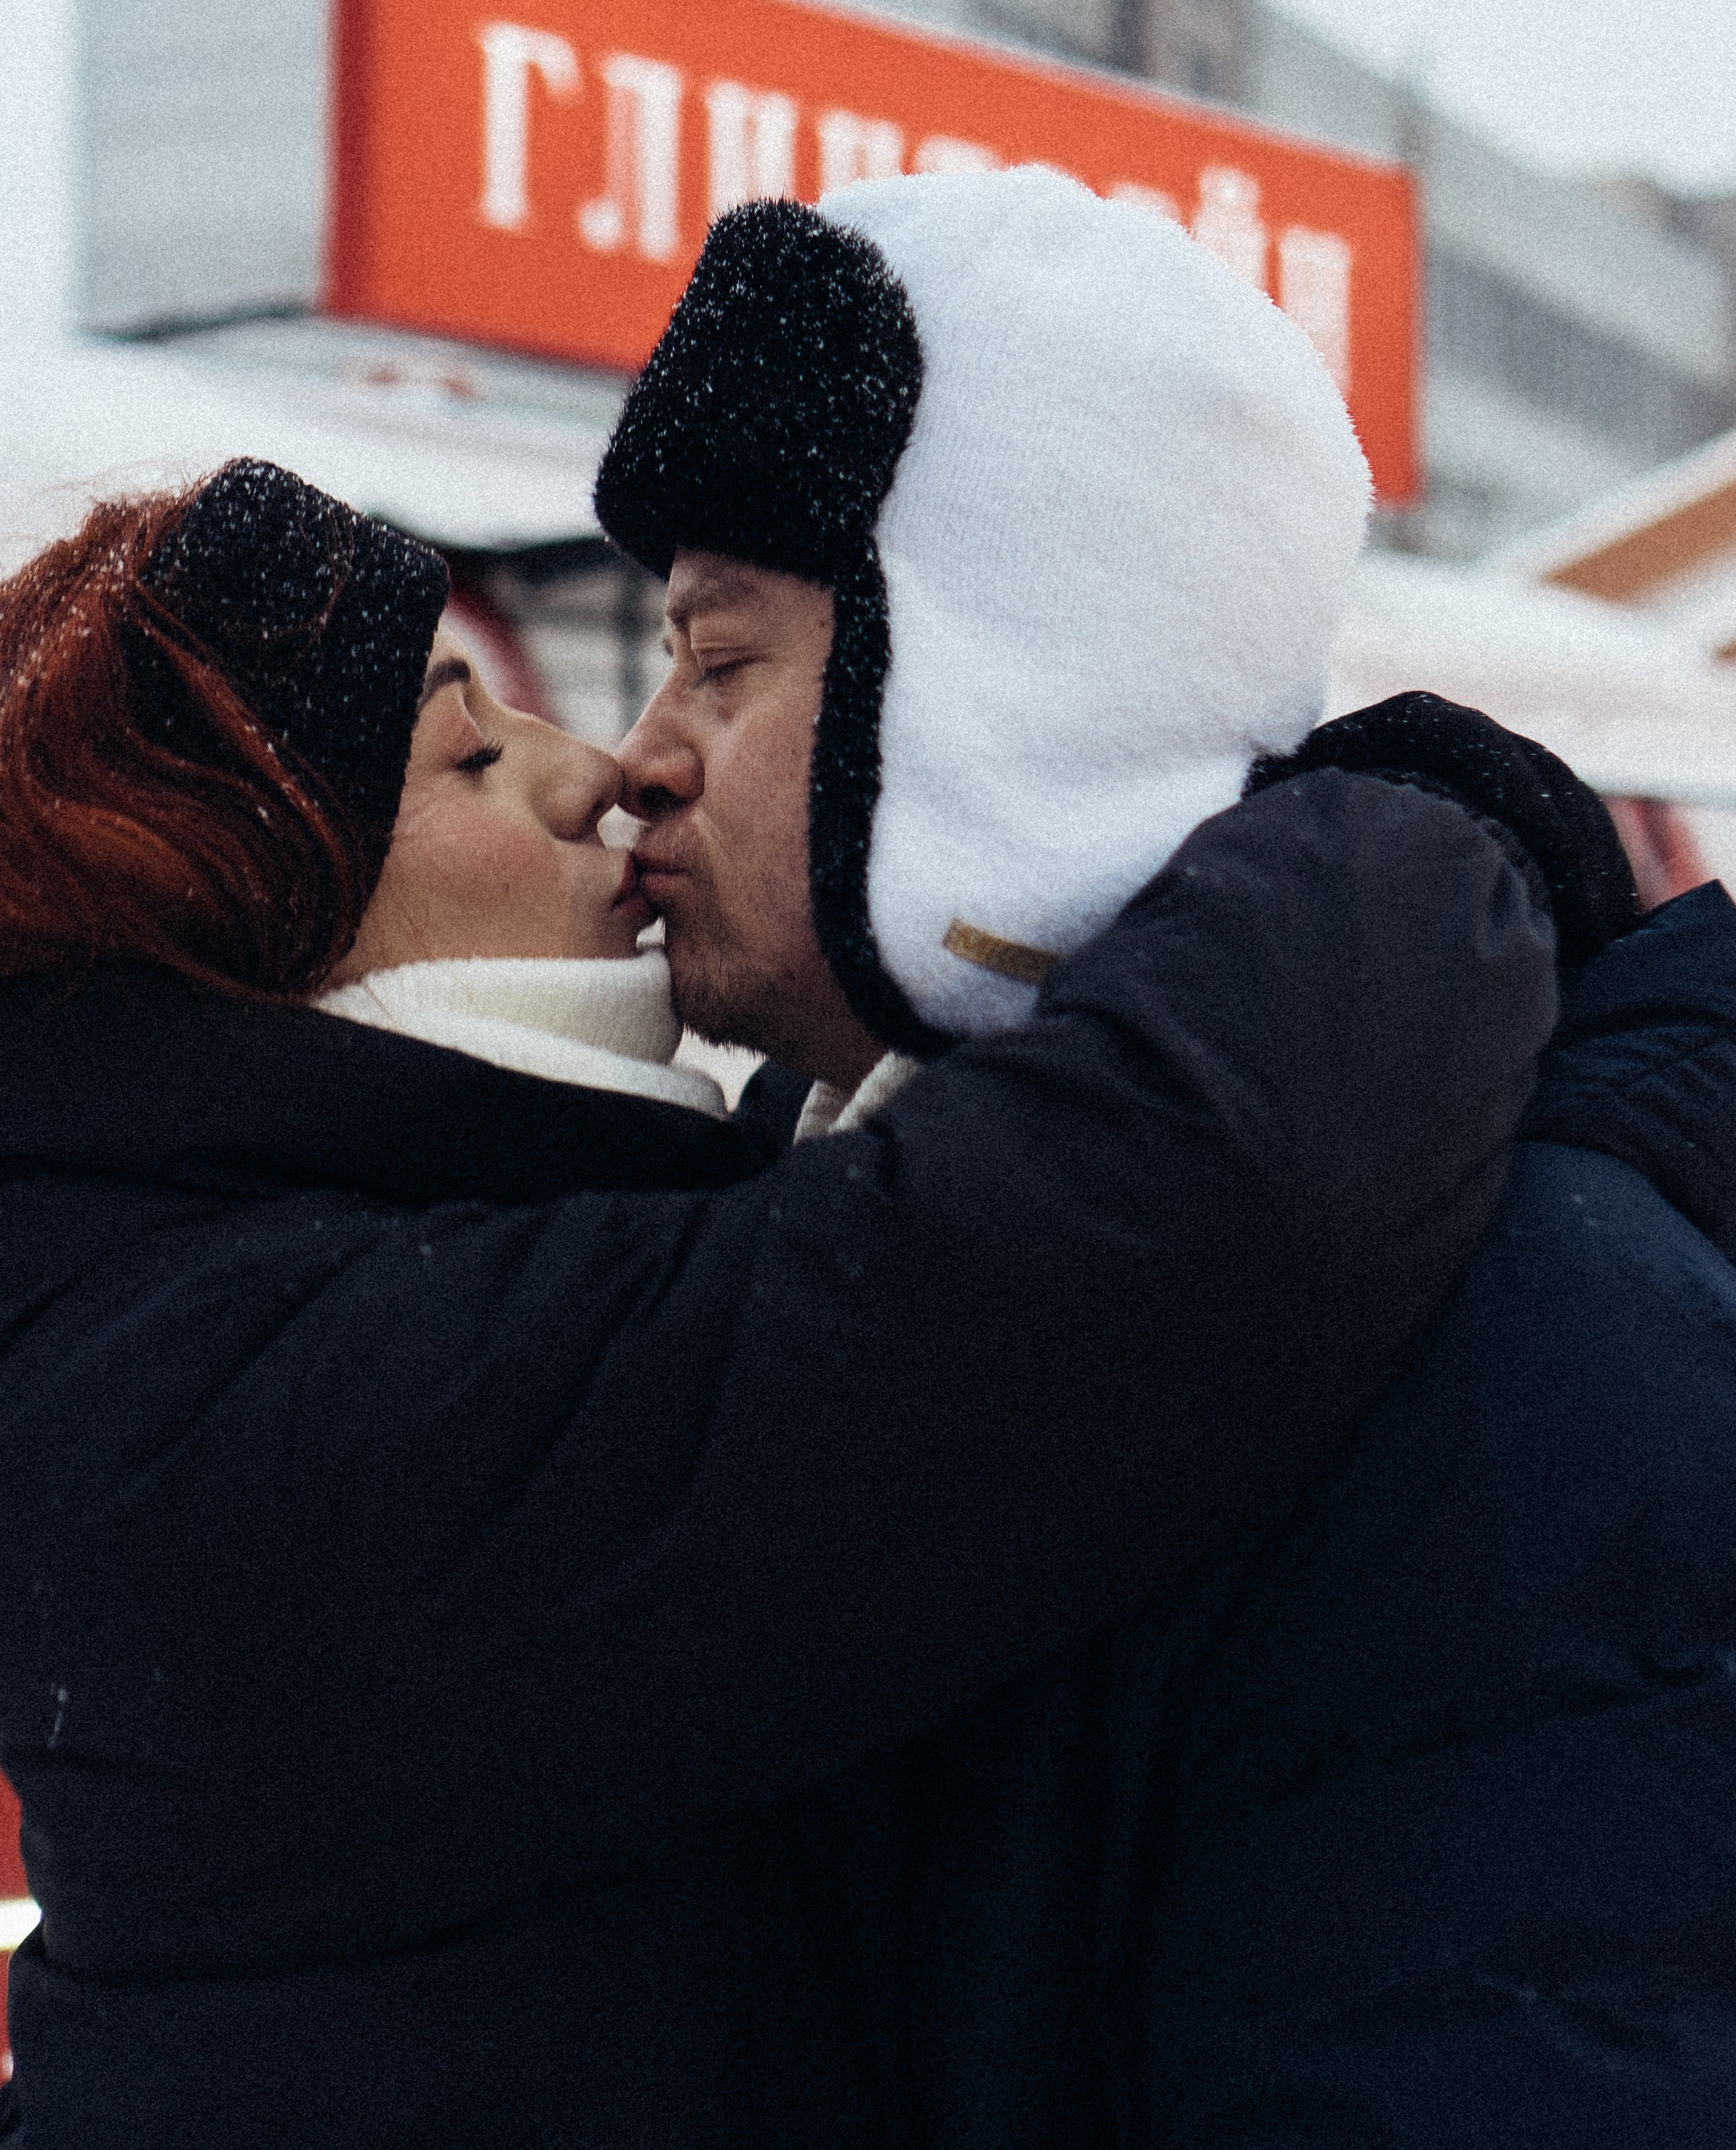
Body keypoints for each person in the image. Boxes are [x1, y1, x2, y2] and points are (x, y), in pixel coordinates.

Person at [0, 457, 1555, 2146]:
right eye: (469, 752)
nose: (593, 767)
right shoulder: (242, 1418)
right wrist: (1404, 833)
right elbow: (1153, 1228)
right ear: (259, 920)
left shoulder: (181, 1300)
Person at [600, 166, 1736, 2146]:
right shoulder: (808, 1231)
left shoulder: (1536, 1351)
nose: (641, 750)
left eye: (723, 665)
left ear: (1003, 701)